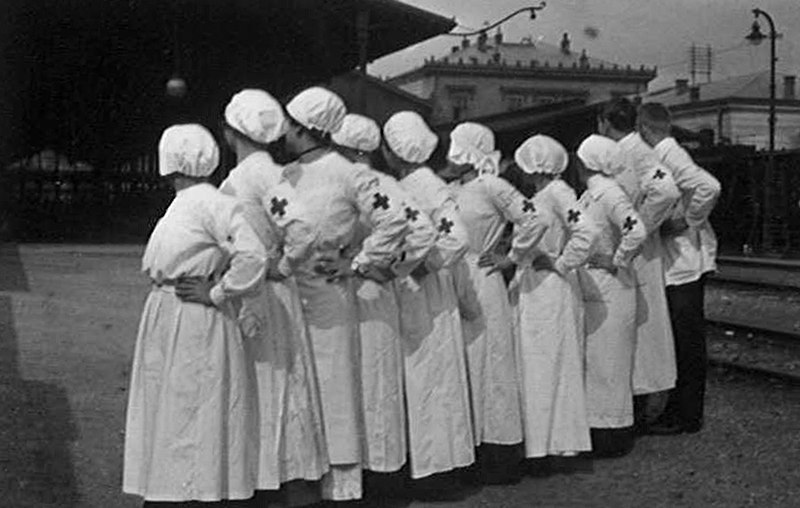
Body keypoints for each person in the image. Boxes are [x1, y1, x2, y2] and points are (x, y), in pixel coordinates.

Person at [274, 87, 410, 501]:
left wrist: (357, 263)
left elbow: (394, 219)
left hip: (330, 295)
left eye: (289, 123)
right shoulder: (287, 175)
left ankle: (342, 487)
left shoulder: (350, 173)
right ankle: (299, 477)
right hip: (290, 292)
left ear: (303, 127)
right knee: (295, 386)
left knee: (334, 388)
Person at [123, 124, 266, 506]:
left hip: (194, 316)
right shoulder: (184, 202)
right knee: (168, 403)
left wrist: (218, 292)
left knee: (192, 404)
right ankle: (167, 487)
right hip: (167, 311)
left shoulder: (214, 203)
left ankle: (192, 491)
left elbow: (253, 255)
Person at [217, 89, 329, 493]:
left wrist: (280, 266)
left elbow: (302, 229)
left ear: (232, 132)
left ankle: (276, 480)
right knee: (258, 383)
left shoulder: (262, 174)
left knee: (272, 382)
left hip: (265, 289)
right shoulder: (255, 174)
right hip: (252, 288)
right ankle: (255, 476)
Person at [331, 113, 437, 476]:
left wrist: (368, 263)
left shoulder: (363, 183)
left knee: (363, 380)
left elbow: (419, 231)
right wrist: (397, 268)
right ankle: (382, 468)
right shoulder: (390, 183)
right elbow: (421, 232)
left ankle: (367, 471)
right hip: (373, 290)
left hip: (361, 290)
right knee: (377, 380)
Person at [443, 123, 548, 483]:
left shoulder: (493, 186)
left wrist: (513, 257)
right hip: (455, 279)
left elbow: (532, 219)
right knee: (463, 363)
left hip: (483, 278)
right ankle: (465, 447)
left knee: (492, 363)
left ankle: (498, 453)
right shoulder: (451, 189)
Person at [381, 111, 475, 492]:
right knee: (431, 376)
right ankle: (437, 464)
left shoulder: (425, 188)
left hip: (426, 291)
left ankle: (436, 469)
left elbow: (456, 239)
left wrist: (417, 266)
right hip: (423, 290)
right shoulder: (420, 183)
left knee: (428, 375)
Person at [510, 134, 596, 460]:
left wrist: (560, 262)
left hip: (548, 288)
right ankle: (543, 442)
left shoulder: (558, 195)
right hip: (538, 287)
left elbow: (586, 231)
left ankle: (547, 444)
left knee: (545, 365)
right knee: (541, 366)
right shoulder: (549, 193)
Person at [638, 102, 721, 434]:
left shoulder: (669, 154)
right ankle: (679, 411)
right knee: (682, 338)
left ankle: (686, 416)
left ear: (644, 128)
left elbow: (710, 186)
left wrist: (687, 220)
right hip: (680, 260)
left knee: (686, 340)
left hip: (685, 261)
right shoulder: (667, 152)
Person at [598, 98, 681, 429]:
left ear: (605, 122)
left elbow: (666, 190)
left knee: (639, 330)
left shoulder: (636, 151)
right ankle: (629, 404)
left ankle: (637, 408)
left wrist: (639, 226)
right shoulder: (627, 149)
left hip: (636, 253)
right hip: (627, 251)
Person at [575, 134, 648, 457]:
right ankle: (599, 430)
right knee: (597, 363)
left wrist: (616, 259)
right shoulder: (592, 194)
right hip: (597, 288)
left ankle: (614, 435)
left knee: (611, 364)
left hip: (612, 286)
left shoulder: (610, 195)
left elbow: (637, 229)